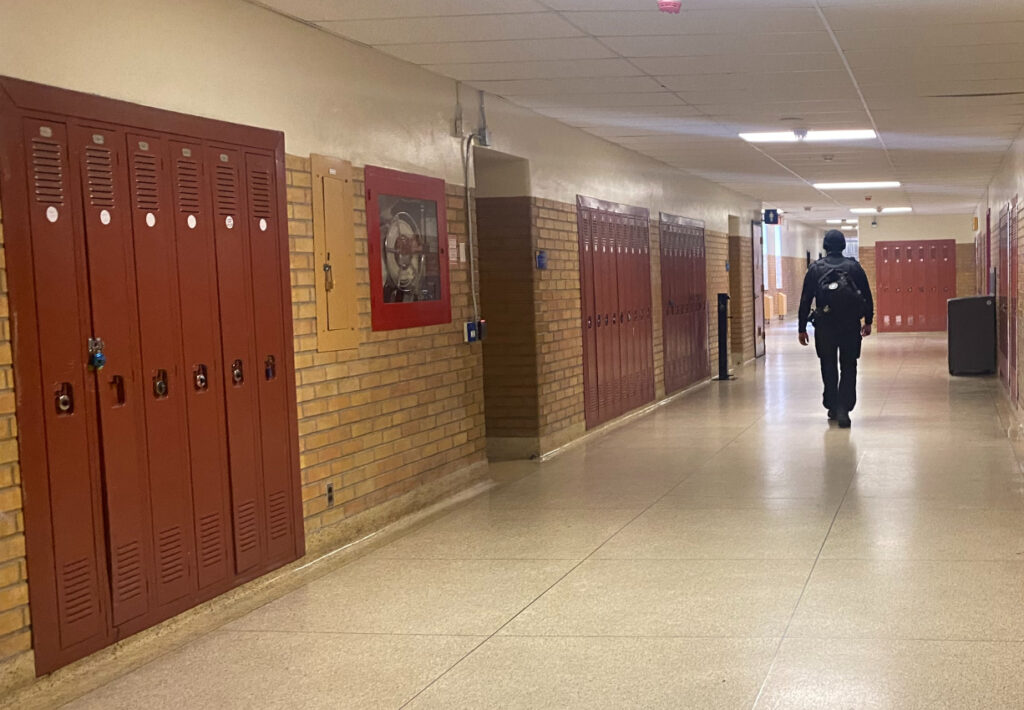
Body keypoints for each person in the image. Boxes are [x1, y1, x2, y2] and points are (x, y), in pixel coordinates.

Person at [797, 229, 874, 428]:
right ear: (843, 246)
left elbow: (806, 299)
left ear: (825, 245)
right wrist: (868, 321)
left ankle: (832, 404)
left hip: (825, 326)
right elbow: (866, 295)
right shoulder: (854, 267)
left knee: (828, 364)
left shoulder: (815, 269)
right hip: (849, 325)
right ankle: (844, 409)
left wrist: (801, 327)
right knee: (849, 366)